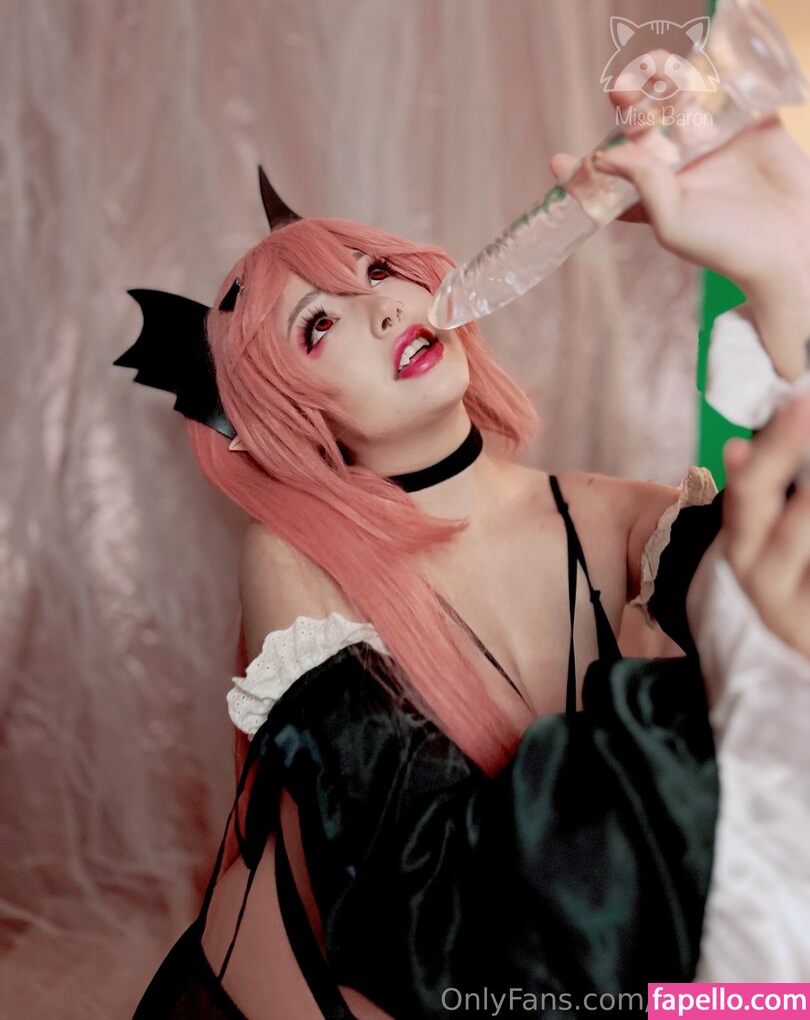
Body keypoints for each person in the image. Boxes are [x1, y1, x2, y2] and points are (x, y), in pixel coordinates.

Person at [125, 102, 810, 1017]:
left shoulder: (614, 516)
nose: (384, 308)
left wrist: (783, 270)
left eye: (378, 271)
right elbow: (428, 921)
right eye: (318, 326)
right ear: (289, 415)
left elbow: (787, 604)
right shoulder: (295, 560)